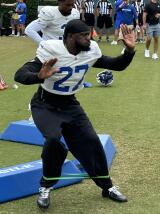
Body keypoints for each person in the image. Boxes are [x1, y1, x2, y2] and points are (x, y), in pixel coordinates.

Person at [14, 20, 136, 209]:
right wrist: (38, 76)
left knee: (91, 141)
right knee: (53, 140)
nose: (89, 38)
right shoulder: (51, 49)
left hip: (70, 104)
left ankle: (107, 186)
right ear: (70, 36)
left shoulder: (90, 51)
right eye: (84, 35)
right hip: (45, 103)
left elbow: (116, 65)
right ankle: (46, 186)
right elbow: (20, 74)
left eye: (89, 34)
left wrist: (129, 51)